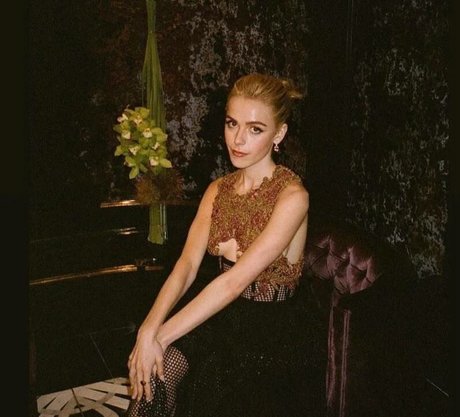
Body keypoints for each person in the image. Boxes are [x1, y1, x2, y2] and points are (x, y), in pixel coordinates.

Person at [125, 73, 319, 417]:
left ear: (279, 134)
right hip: (222, 313)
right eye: (232, 124)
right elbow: (186, 265)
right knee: (154, 375)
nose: (238, 139)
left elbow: (234, 282)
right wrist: (148, 329)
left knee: (206, 383)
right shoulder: (218, 190)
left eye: (255, 129)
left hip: (271, 331)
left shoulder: (293, 196)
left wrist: (160, 337)